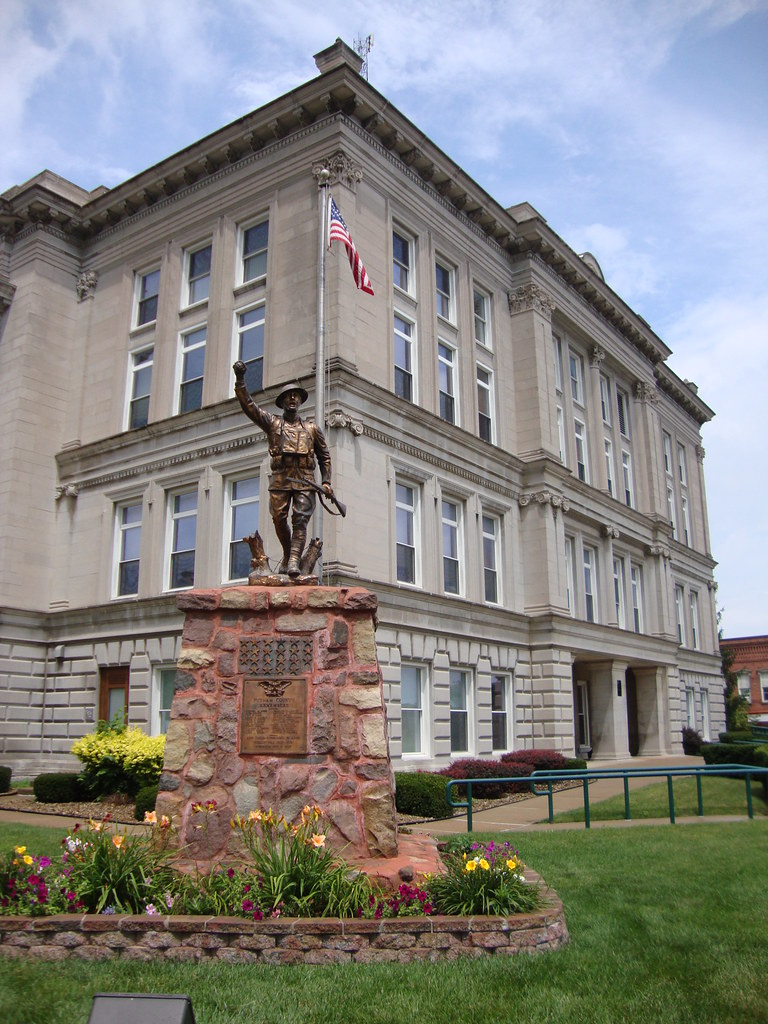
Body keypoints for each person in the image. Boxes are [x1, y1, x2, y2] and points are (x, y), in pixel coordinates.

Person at [233, 362, 332, 576]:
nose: (292, 399)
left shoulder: (313, 429)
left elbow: (325, 456)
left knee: (300, 519)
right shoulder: (273, 424)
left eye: (296, 396)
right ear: (282, 403)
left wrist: (326, 482)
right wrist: (240, 380)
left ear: (301, 400)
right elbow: (249, 407)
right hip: (280, 478)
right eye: (288, 396)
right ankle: (288, 555)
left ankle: (294, 560)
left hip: (306, 479)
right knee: (278, 518)